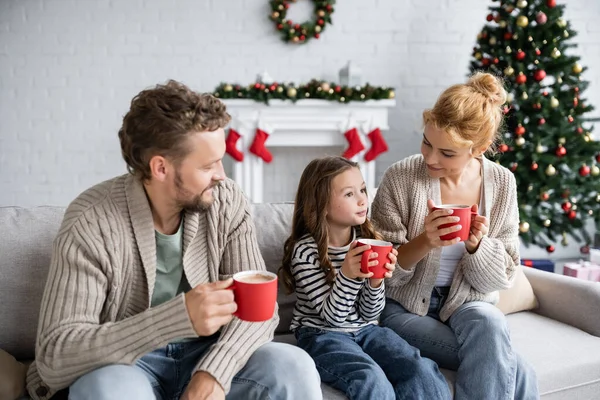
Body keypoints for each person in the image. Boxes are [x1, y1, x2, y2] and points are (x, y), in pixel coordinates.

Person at [25, 80, 322, 400]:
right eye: (209, 165)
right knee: (108, 390)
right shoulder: (92, 221)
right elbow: (56, 355)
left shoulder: (226, 201)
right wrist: (177, 319)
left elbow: (258, 311)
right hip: (125, 365)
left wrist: (213, 374)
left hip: (210, 354)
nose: (222, 175)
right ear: (161, 167)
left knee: (293, 366)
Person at [371, 72, 539, 399]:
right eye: (427, 143)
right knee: (518, 370)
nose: (431, 158)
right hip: (404, 310)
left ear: (479, 149)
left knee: (489, 324)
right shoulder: (400, 177)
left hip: (469, 305)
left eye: (447, 153)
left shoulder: (502, 184)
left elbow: (503, 276)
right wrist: (425, 242)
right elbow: (380, 277)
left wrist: (478, 246)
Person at [279, 156, 451, 400]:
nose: (363, 199)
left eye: (362, 189)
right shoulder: (305, 252)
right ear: (320, 205)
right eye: (349, 194)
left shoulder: (368, 242)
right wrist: (348, 274)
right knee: (370, 377)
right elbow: (333, 318)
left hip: (368, 330)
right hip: (321, 335)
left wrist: (375, 281)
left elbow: (371, 315)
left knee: (419, 368)